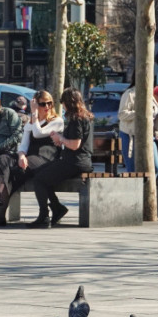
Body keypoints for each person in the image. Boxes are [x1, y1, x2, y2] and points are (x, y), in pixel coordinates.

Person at [0, 90, 64, 226]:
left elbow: (38, 133)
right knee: (3, 159)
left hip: (46, 158)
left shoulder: (57, 121)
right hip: (30, 158)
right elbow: (23, 145)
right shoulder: (31, 123)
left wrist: (33, 115)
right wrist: (21, 156)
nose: (47, 106)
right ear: (36, 105)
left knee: (11, 173)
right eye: (43, 104)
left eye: (49, 103)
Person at [27, 88, 94, 228]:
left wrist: (61, 138)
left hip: (75, 162)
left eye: (62, 102)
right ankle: (57, 208)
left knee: (39, 179)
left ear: (68, 103)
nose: (62, 106)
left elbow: (75, 145)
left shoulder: (76, 119)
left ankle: (44, 216)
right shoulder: (84, 116)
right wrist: (62, 141)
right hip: (79, 161)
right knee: (41, 173)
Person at [117, 82, 137, 173]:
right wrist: (139, 112)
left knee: (154, 167)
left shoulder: (150, 94)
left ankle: (147, 187)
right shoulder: (129, 93)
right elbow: (121, 114)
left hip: (147, 136)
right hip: (129, 134)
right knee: (132, 169)